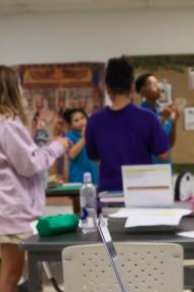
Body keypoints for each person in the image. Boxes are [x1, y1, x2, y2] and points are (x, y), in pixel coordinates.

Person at [0, 65, 71, 292]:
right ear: (11, 87)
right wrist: (56, 147)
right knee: (11, 274)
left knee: (11, 273)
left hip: (10, 205)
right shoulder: (6, 124)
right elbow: (29, 164)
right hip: (14, 207)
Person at [84, 56, 170, 193]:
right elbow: (164, 154)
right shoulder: (148, 118)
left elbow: (94, 156)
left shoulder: (94, 121)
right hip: (141, 194)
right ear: (132, 86)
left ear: (107, 88)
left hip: (108, 195)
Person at [135, 72, 178, 155]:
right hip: (148, 165)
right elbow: (144, 141)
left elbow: (170, 144)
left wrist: (174, 122)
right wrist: (162, 120)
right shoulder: (139, 114)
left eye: (158, 84)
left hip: (165, 165)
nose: (159, 88)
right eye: (154, 85)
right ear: (143, 92)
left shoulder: (163, 112)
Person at [63, 107, 99, 186]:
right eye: (76, 120)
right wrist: (84, 138)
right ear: (71, 125)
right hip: (78, 179)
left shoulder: (93, 135)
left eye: (82, 118)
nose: (81, 121)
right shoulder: (69, 136)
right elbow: (72, 154)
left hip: (94, 177)